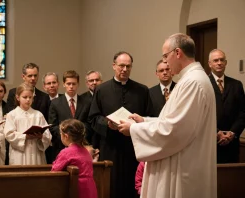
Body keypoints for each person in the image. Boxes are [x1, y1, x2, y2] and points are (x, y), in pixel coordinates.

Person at [118, 33, 217, 198]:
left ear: (177, 53)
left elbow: (174, 131)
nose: (165, 62)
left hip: (184, 169)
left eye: (165, 56)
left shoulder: (192, 82)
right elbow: (174, 120)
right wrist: (144, 121)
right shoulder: (192, 79)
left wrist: (134, 129)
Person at [88, 51, 153, 198]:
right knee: (112, 187)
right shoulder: (101, 90)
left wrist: (137, 124)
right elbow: (93, 118)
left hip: (134, 148)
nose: (125, 69)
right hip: (111, 147)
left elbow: (148, 118)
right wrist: (107, 124)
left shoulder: (142, 90)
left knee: (133, 188)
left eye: (128, 66)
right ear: (113, 66)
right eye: (121, 66)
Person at [208, 49, 245, 163]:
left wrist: (232, 133)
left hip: (232, 144)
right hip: (210, 143)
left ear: (226, 62)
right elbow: (200, 114)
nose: (219, 62)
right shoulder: (203, 84)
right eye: (215, 60)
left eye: (222, 60)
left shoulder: (236, 85)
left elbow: (243, 112)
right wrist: (216, 133)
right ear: (210, 64)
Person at [48, 70, 93, 163]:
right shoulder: (55, 103)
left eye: (74, 84)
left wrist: (78, 136)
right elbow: (52, 126)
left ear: (78, 84)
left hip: (82, 146)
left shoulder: (86, 102)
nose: (71, 86)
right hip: (61, 147)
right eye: (68, 83)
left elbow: (89, 124)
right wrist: (67, 135)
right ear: (64, 84)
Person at [3, 83, 52, 165]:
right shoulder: (12, 115)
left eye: (30, 97)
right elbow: (9, 134)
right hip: (19, 154)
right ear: (18, 97)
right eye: (25, 97)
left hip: (36, 153)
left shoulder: (38, 115)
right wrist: (25, 136)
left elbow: (48, 135)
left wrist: (41, 136)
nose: (28, 100)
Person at [51, 119, 97, 198]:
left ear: (66, 136)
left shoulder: (66, 152)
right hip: (90, 187)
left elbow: (54, 171)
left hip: (77, 189)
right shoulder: (85, 150)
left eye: (61, 134)